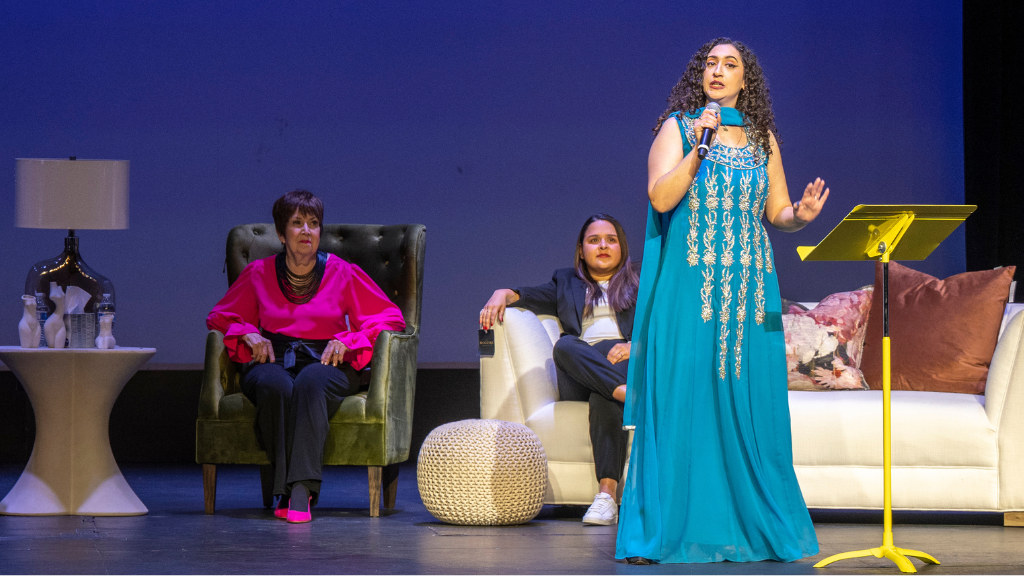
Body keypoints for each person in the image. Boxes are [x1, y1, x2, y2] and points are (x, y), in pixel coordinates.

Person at [615, 38, 827, 563]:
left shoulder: (763, 138)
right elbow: (661, 197)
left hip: (751, 295)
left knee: (750, 404)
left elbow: (775, 211)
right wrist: (700, 146)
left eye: (730, 65)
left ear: (744, 81)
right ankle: (660, 534)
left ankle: (755, 529)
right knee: (683, 401)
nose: (718, 70)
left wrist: (799, 215)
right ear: (700, 75)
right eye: (710, 63)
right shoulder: (680, 128)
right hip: (690, 292)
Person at [207, 189, 405, 523]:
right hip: (273, 356)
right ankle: (286, 488)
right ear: (281, 234)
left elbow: (391, 318)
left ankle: (299, 490)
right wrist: (247, 331)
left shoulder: (342, 272)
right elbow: (219, 316)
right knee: (274, 386)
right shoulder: (258, 272)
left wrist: (352, 338)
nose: (306, 231)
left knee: (312, 383)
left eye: (313, 224)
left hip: (328, 358)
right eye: (297, 223)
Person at [480, 214, 639, 526]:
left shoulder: (642, 281)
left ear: (622, 247)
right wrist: (503, 292)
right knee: (565, 345)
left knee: (604, 397)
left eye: (611, 239)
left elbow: (666, 321)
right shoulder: (566, 281)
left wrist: (638, 346)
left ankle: (606, 495)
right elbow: (525, 295)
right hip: (579, 370)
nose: (603, 246)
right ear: (581, 250)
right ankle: (630, 395)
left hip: (623, 365)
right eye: (594, 240)